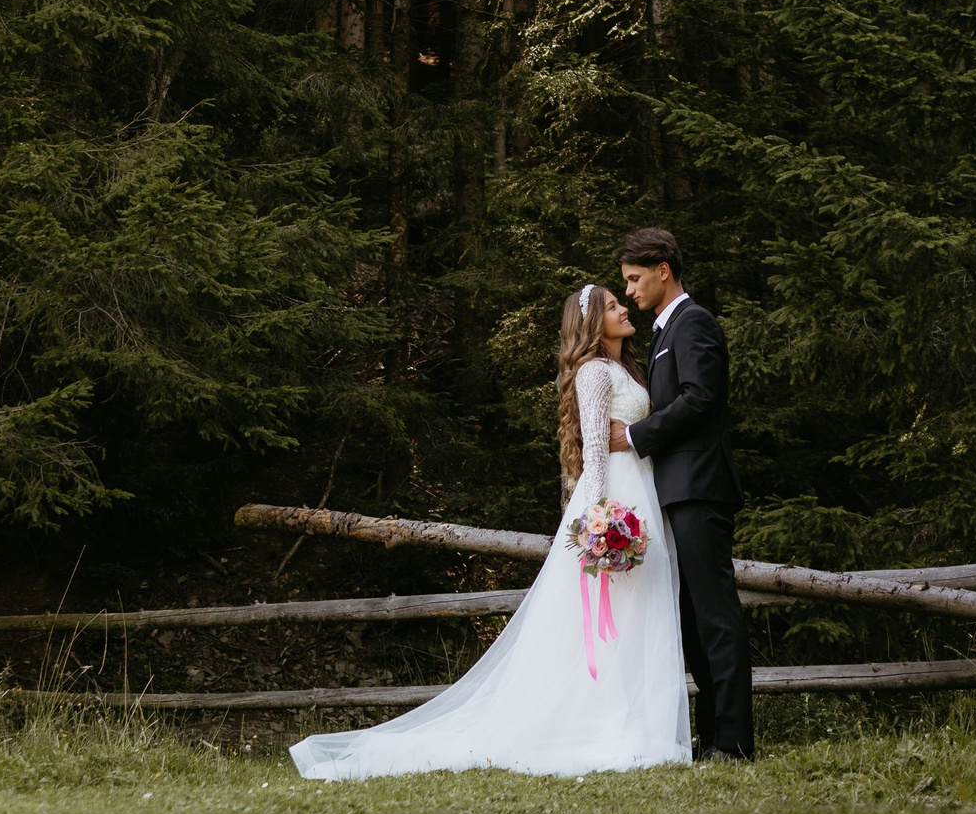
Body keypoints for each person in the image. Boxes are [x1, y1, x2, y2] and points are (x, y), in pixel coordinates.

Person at [288, 285, 692, 779]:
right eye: (612, 306)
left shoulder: (626, 370)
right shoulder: (592, 372)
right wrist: (600, 520)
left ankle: (636, 725)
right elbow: (593, 452)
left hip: (642, 497)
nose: (623, 308)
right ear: (590, 324)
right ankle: (610, 728)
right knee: (611, 620)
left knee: (636, 615)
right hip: (613, 506)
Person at [608, 226, 754, 762]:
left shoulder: (694, 324)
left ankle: (735, 744)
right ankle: (713, 738)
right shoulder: (664, 331)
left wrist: (634, 435)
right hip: (675, 493)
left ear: (662, 270)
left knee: (715, 617)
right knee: (693, 622)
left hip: (700, 488)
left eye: (634, 278)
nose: (629, 291)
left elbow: (700, 399)